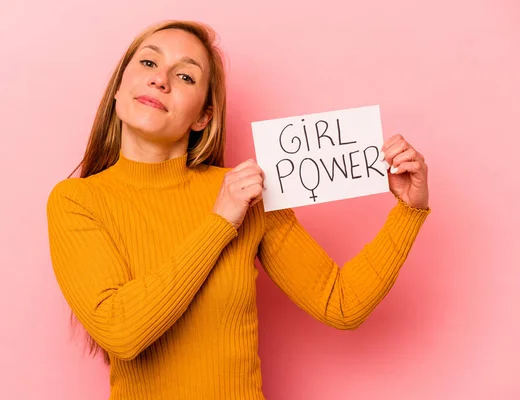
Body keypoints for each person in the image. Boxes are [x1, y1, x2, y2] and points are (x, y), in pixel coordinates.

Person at [46, 19, 430, 400]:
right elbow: (122, 332)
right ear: (118, 89)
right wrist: (219, 223)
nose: (160, 80)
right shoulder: (76, 202)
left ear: (203, 117)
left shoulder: (248, 194)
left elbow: (341, 303)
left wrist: (408, 212)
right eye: (149, 63)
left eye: (186, 77)